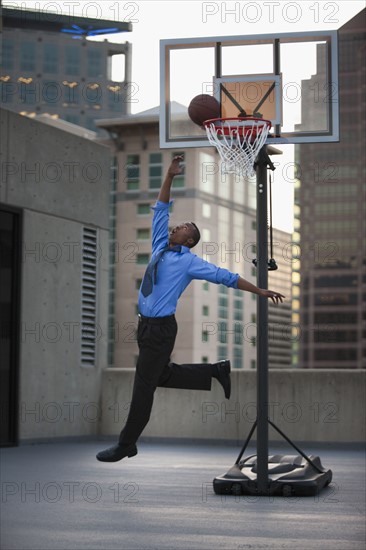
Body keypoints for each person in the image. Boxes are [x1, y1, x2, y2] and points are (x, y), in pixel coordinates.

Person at [97, 156, 284, 462]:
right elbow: (161, 208)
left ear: (190, 239)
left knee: (143, 387)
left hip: (160, 329)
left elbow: (227, 277)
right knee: (158, 376)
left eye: (183, 227)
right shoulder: (160, 245)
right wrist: (169, 175)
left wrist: (259, 290)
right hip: (146, 326)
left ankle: (126, 443)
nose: (177, 225)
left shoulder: (189, 262)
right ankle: (215, 371)